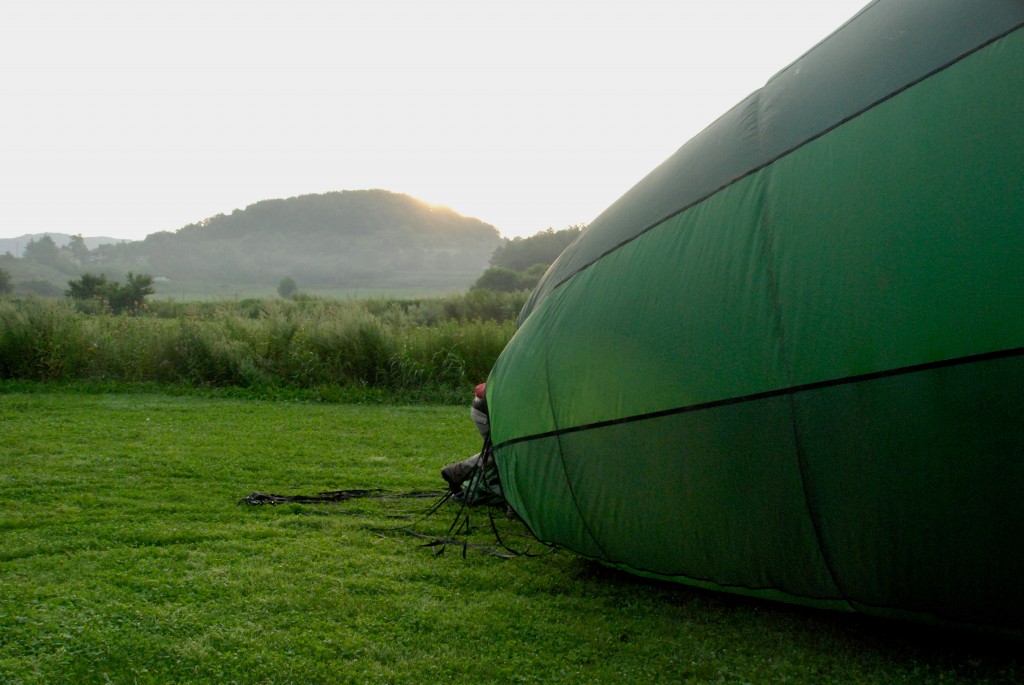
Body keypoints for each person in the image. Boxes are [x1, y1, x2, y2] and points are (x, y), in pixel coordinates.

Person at [440, 382, 492, 495]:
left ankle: (456, 472)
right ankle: (457, 472)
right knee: (506, 452)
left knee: (506, 451)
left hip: (489, 408)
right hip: (486, 411)